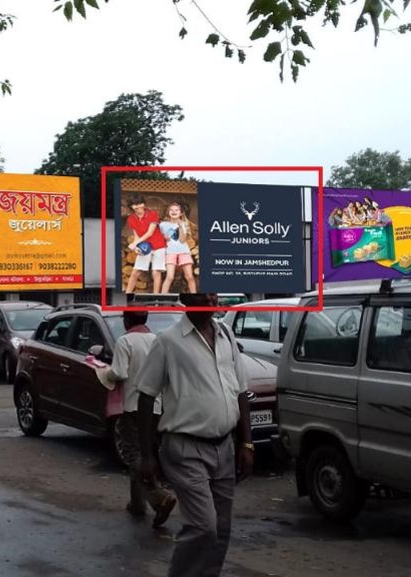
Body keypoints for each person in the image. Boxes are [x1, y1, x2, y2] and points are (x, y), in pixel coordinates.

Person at [135, 292, 254, 577]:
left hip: (224, 446)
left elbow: (240, 391)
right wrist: (148, 455)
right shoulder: (168, 341)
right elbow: (146, 397)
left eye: (213, 291)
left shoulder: (225, 335)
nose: (211, 297)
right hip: (185, 448)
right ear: (186, 297)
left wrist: (246, 443)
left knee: (221, 529)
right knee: (203, 526)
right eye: (203, 291)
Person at [104, 311, 177, 527]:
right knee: (146, 452)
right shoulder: (156, 340)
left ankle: (158, 496)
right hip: (155, 406)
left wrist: (104, 373)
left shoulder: (125, 341)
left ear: (126, 321)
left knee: (133, 453)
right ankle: (137, 504)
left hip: (133, 405)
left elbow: (118, 372)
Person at [125, 196, 167, 295]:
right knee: (136, 272)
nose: (138, 206)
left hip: (158, 246)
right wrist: (137, 247)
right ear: (131, 206)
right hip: (145, 247)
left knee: (156, 272)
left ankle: (156, 298)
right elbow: (136, 236)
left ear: (144, 203)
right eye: (135, 204)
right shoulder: (131, 219)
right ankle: (127, 295)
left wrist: (135, 243)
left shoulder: (152, 214)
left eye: (140, 203)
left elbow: (150, 233)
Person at [158, 202, 197, 294]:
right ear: (168, 212)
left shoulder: (184, 224)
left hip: (183, 251)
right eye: (171, 210)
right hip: (170, 252)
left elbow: (183, 240)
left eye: (176, 210)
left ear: (181, 213)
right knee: (170, 277)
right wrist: (163, 238)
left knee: (190, 277)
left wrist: (180, 227)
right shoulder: (163, 224)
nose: (174, 211)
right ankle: (162, 298)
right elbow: (158, 238)